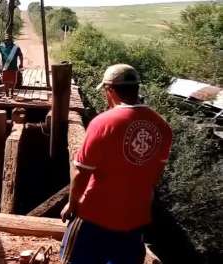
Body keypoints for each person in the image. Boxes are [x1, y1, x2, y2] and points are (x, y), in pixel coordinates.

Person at [59, 64, 173, 264]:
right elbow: (155, 175)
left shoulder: (103, 123)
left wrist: (73, 204)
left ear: (110, 90)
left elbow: (81, 173)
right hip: (135, 218)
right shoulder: (163, 126)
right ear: (137, 88)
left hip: (94, 215)